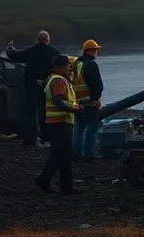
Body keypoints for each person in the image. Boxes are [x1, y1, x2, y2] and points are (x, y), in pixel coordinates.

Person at [36, 54, 81, 194]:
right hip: (60, 123)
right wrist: (75, 108)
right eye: (68, 65)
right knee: (62, 155)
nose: (69, 68)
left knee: (62, 155)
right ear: (60, 67)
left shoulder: (54, 80)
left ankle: (66, 186)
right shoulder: (59, 81)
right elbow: (59, 100)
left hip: (57, 123)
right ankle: (45, 179)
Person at [7, 30, 60, 146]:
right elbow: (62, 64)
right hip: (47, 86)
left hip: (31, 86)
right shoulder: (54, 53)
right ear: (48, 40)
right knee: (46, 111)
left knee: (31, 112)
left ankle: (32, 137)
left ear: (37, 40)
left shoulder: (30, 51)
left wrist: (10, 47)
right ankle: (46, 137)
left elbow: (14, 56)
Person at [70, 39, 104, 159]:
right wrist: (96, 99)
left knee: (79, 127)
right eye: (96, 50)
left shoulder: (77, 63)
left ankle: (77, 152)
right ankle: (89, 153)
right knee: (92, 127)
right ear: (92, 51)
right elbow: (97, 84)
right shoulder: (91, 64)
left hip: (77, 101)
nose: (97, 52)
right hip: (89, 101)